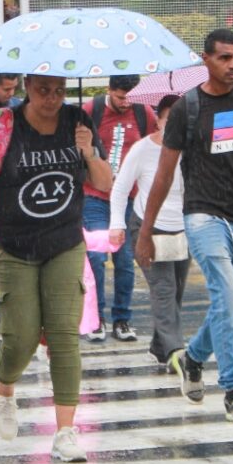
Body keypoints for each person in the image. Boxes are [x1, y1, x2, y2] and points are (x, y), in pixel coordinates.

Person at [0, 74, 112, 462]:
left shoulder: (78, 121)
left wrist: (89, 153)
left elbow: (105, 183)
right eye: (44, 91)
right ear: (28, 87)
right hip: (14, 245)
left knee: (64, 335)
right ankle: (5, 388)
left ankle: (65, 432)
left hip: (64, 241)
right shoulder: (4, 128)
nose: (52, 99)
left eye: (59, 91)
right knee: (22, 338)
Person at [137, 28, 233, 424]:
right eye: (224, 58)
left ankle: (192, 358)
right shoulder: (187, 110)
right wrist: (146, 231)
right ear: (205, 60)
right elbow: (163, 174)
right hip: (203, 217)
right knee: (227, 297)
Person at [109, 95, 189, 371]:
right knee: (163, 288)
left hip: (182, 228)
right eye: (170, 119)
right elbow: (120, 188)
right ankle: (177, 352)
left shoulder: (192, 148)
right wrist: (116, 224)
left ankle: (159, 346)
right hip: (147, 228)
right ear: (158, 119)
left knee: (176, 290)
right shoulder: (142, 150)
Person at [81, 74, 157, 343]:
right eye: (120, 96)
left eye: (130, 96)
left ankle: (122, 319)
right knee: (96, 259)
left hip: (128, 198)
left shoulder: (143, 112)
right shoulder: (92, 110)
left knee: (125, 260)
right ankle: (96, 318)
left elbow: (153, 147)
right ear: (109, 90)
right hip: (94, 195)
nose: (125, 102)